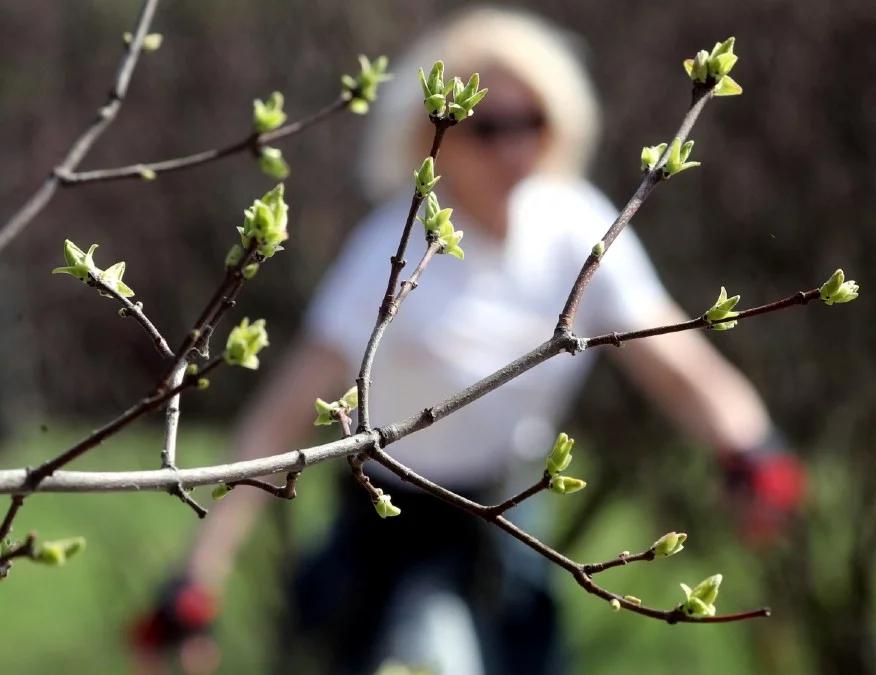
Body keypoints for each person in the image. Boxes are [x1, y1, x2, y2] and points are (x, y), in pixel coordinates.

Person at [132, 7, 805, 675]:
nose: (514, 148)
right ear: (436, 133)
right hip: (388, 531)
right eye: (488, 128)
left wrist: (750, 447)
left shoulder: (578, 228)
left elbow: (676, 362)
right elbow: (281, 417)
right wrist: (197, 576)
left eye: (532, 122)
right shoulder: (390, 253)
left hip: (506, 515)